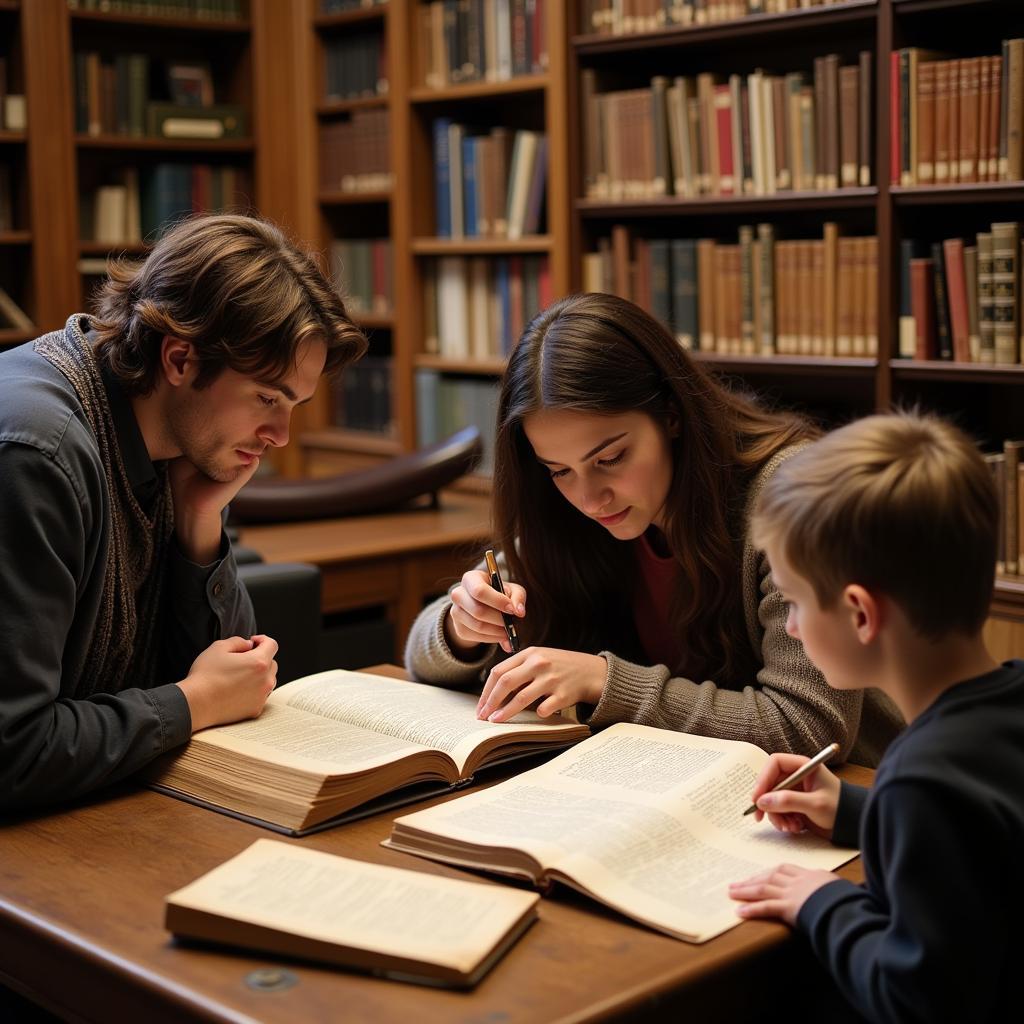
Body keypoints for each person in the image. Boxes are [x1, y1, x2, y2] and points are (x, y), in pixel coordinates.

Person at [405, 292, 902, 764]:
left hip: (846, 809)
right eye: (559, 470)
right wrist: (462, 626)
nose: (589, 498)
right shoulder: (568, 512)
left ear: (671, 415)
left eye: (611, 458)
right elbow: (419, 656)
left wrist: (605, 682)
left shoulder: (794, 497)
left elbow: (809, 727)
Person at [0, 213, 366, 809]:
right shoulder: (36, 455)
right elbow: (12, 750)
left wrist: (199, 527)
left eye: (293, 404)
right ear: (179, 360)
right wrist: (192, 702)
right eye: (266, 398)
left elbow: (233, 675)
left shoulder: (170, 441)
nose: (280, 435)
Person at [728, 412, 1023, 1023]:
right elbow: (987, 836)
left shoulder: (921, 779)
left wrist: (823, 902)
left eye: (798, 602)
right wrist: (853, 809)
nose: (789, 626)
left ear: (860, 614)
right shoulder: (1007, 702)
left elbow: (915, 999)